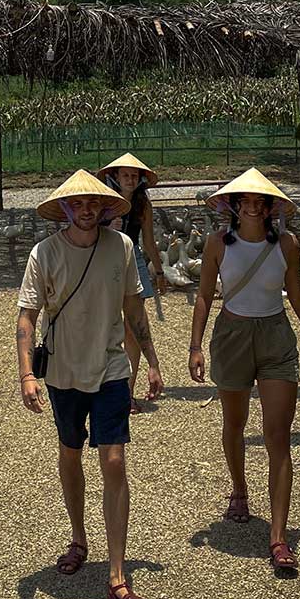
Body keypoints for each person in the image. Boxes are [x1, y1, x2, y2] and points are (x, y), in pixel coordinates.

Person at [16, 169, 163, 599]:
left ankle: (117, 576)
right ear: (64, 209)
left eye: (92, 204)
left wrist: (153, 362)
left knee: (114, 460)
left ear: (103, 208)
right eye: (76, 204)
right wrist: (27, 374)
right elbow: (26, 318)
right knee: (70, 453)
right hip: (62, 372)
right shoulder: (44, 253)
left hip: (112, 370)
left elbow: (134, 309)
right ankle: (78, 537)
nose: (85, 210)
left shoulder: (121, 247)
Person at [187, 167, 300, 573]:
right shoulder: (217, 243)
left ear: (270, 207)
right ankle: (239, 490)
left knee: (277, 436)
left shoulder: (287, 244)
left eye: (259, 200)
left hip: (275, 337)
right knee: (234, 423)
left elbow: (298, 296)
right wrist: (195, 346)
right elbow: (203, 296)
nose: (251, 205)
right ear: (232, 205)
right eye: (244, 200)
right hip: (231, 333)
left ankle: (279, 537)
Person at [96, 153, 167, 414]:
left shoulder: (142, 204)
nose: (129, 179)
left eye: (134, 175)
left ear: (140, 180)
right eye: (125, 174)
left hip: (132, 257)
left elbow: (148, 240)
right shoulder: (103, 201)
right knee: (103, 325)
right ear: (115, 176)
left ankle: (126, 391)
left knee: (133, 331)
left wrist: (159, 272)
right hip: (105, 257)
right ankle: (101, 387)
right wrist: (104, 224)